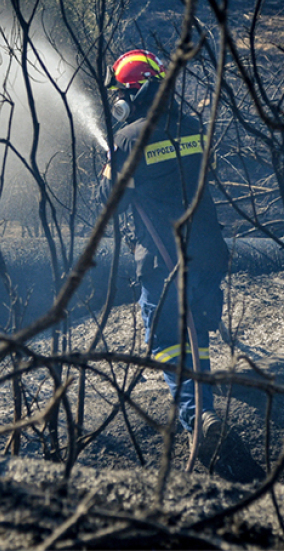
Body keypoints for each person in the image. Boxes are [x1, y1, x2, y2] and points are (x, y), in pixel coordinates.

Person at [100, 49, 230, 441]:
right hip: (208, 252)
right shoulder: (193, 127)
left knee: (167, 339)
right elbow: (207, 170)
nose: (116, 102)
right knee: (196, 332)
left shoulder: (127, 139)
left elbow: (108, 202)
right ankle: (203, 400)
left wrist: (110, 165)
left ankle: (198, 416)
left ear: (133, 95)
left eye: (119, 94)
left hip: (163, 260)